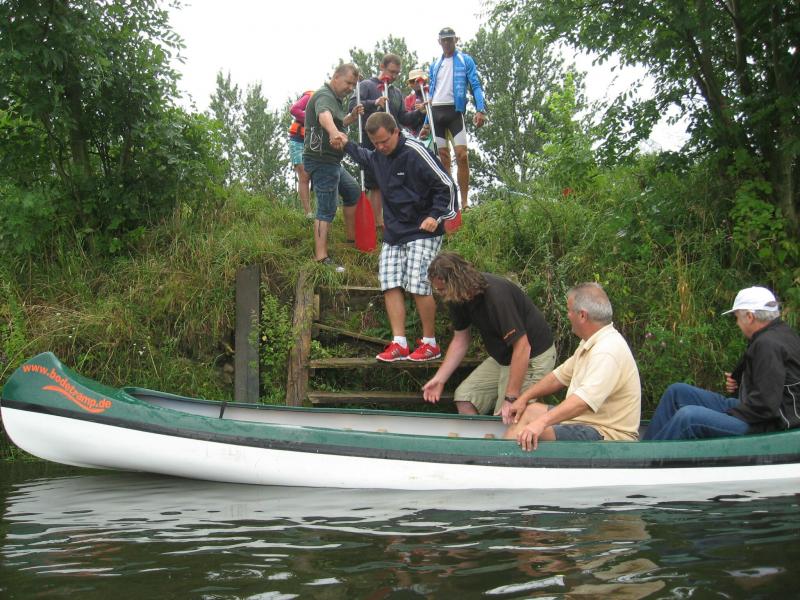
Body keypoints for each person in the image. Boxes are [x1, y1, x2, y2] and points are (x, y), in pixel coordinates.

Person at [343, 112, 457, 362]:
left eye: (385, 141)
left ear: (396, 131)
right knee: (389, 282)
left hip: (423, 228)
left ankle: (430, 343)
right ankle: (399, 343)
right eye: (376, 143)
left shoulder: (416, 151)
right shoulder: (378, 155)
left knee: (417, 282)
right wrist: (345, 143)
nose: (381, 147)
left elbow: (447, 185)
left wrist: (436, 215)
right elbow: (364, 156)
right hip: (394, 231)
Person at [643, 286, 800, 440]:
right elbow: (770, 384)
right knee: (677, 392)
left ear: (750, 317)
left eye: (737, 317)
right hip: (757, 412)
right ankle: (644, 450)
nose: (737, 323)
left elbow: (765, 406)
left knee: (689, 417)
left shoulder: (768, 345)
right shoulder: (779, 333)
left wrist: (725, 414)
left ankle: (651, 456)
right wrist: (740, 383)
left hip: (769, 424)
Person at [505, 283, 642, 450]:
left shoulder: (607, 351)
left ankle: (500, 459)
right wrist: (524, 398)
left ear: (582, 315)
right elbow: (558, 377)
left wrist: (541, 423)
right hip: (586, 421)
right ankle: (500, 455)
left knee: (529, 434)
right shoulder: (591, 342)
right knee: (530, 411)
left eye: (569, 310)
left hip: (608, 435)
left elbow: (582, 402)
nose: (568, 315)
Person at [421, 252, 557, 420]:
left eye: (441, 289)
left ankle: (547, 423)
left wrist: (511, 398)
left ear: (456, 282)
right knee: (465, 398)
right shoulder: (456, 297)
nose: (439, 294)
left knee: (506, 416)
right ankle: (477, 438)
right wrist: (440, 379)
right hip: (504, 357)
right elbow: (460, 340)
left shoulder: (496, 295)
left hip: (533, 356)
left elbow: (523, 347)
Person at [348, 54, 426, 230]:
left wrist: (419, 113)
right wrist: (374, 102)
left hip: (394, 144)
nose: (394, 76)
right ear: (381, 66)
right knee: (375, 183)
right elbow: (352, 106)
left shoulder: (396, 92)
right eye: (391, 71)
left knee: (397, 180)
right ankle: (377, 223)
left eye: (397, 73)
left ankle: (398, 218)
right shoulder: (366, 85)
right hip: (371, 141)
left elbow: (403, 118)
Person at [304, 63, 364, 272]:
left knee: (352, 191)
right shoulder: (324, 95)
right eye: (348, 83)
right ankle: (321, 257)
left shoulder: (337, 99)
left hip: (332, 161)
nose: (350, 88)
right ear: (336, 77)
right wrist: (333, 133)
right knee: (327, 207)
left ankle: (350, 240)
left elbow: (338, 121)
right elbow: (324, 116)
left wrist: (351, 117)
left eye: (353, 85)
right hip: (321, 160)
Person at [426, 26, 486, 211]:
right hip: (436, 112)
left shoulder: (465, 60)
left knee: (462, 155)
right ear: (439, 42)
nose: (447, 43)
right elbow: (430, 94)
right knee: (443, 158)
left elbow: (475, 85)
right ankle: (452, 203)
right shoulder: (435, 65)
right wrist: (426, 122)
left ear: (456, 40)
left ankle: (465, 202)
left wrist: (480, 109)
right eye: (444, 40)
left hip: (455, 111)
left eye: (450, 39)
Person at [288, 90, 314, 218]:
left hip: (314, 143)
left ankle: (322, 211)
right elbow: (294, 109)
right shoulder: (311, 96)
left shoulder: (330, 103)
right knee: (304, 176)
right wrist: (312, 119)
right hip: (298, 141)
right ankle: (308, 213)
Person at [404, 68, 428, 139]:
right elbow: (408, 121)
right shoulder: (409, 99)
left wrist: (426, 110)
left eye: (418, 80)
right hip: (416, 135)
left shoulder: (431, 94)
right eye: (412, 81)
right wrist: (419, 112)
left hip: (434, 130)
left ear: (424, 81)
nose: (415, 83)